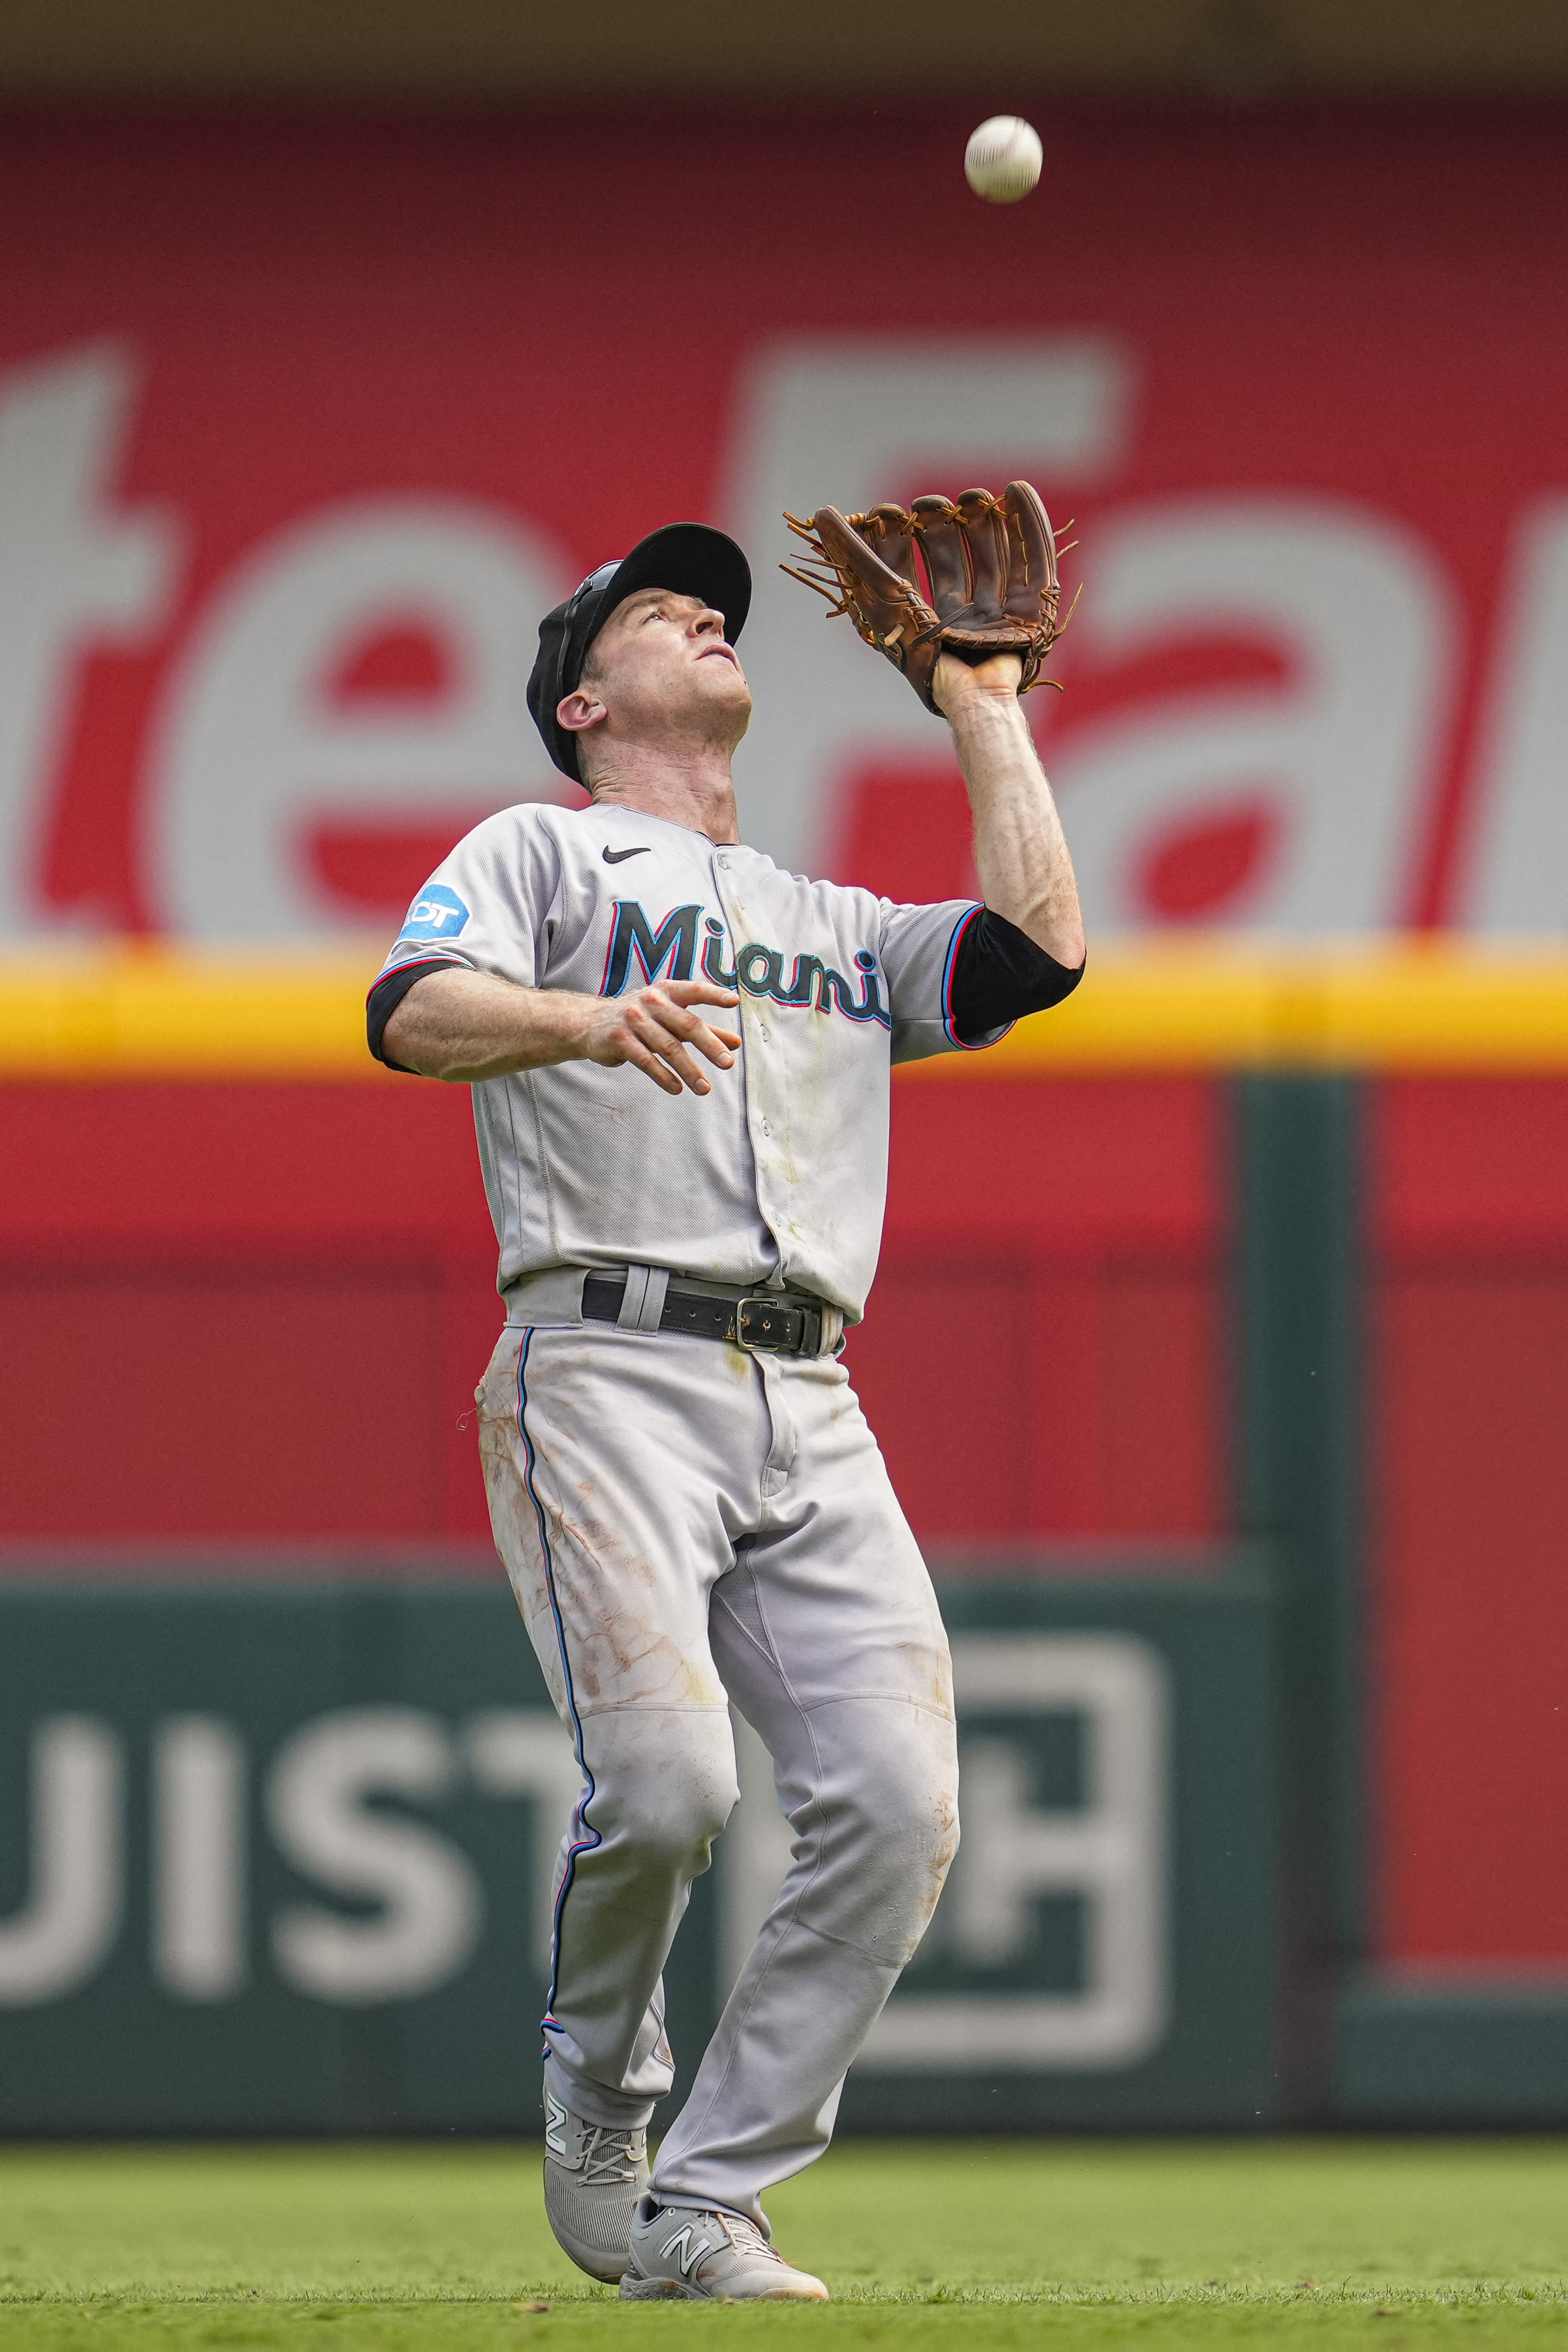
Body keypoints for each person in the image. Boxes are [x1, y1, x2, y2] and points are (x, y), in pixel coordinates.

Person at [366, 520, 1086, 2303]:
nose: (705, 609)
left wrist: (984, 709)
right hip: (602, 1356)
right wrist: (584, 1025)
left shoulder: (825, 917)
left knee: (905, 1801)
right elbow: (404, 1009)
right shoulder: (541, 846)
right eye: (656, 606)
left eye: (718, 601)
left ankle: (713, 2197)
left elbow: (1034, 958)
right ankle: (603, 2090)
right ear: (585, 695)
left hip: (809, 1390)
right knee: (674, 1782)